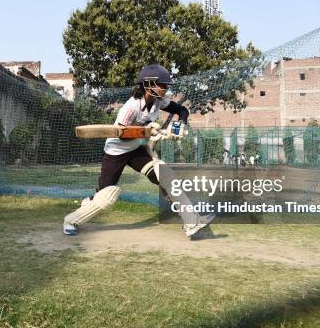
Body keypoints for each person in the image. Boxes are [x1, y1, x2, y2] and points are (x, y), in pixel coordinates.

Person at [63, 64, 215, 237]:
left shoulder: (158, 101)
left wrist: (179, 123)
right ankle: (71, 220)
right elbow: (121, 134)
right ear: (149, 84)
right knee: (105, 196)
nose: (165, 89)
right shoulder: (131, 106)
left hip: (136, 150)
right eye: (162, 85)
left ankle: (191, 222)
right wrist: (147, 130)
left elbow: (181, 110)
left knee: (165, 174)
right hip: (116, 152)